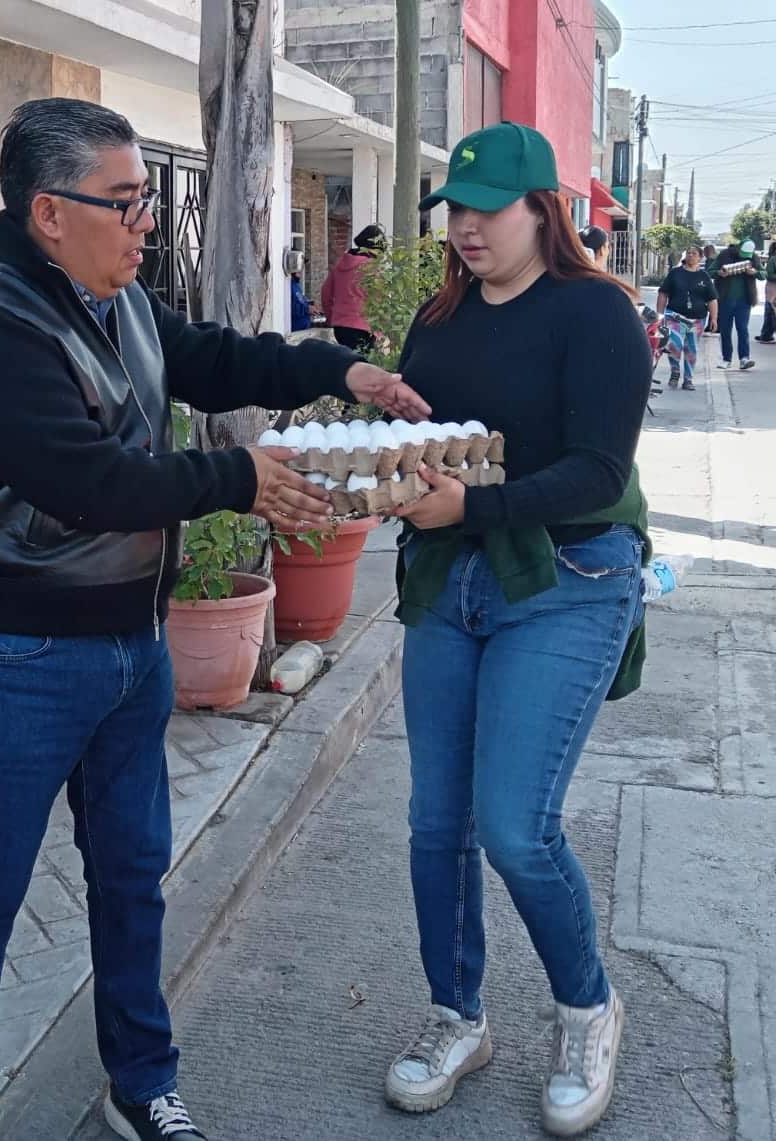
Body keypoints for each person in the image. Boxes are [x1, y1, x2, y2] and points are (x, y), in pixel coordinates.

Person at [0, 97, 429, 1141]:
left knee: (133, 875)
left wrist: (340, 366)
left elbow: (217, 358)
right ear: (48, 212)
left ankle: (139, 1080)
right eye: (127, 201)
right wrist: (238, 474)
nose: (148, 220)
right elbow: (87, 482)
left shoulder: (123, 297)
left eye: (147, 199)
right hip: (13, 653)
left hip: (128, 648)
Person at [384, 123, 651, 1138]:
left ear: (543, 208)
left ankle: (587, 1009)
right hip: (451, 585)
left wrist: (469, 510)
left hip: (570, 579)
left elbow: (595, 470)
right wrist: (385, 467)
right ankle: (458, 1014)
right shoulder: (439, 317)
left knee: (513, 823)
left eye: (484, 209)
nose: (462, 228)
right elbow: (426, 449)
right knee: (433, 822)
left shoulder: (596, 314)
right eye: (453, 209)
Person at [657, 246, 719, 391]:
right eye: (688, 253)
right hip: (675, 316)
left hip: (697, 319)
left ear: (700, 257)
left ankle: (688, 379)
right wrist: (659, 315)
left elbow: (712, 299)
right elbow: (663, 294)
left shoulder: (704, 276)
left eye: (694, 253)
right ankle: (675, 371)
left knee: (691, 349)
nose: (691, 255)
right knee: (674, 344)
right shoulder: (675, 273)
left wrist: (714, 318)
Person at [321, 223, 386, 351]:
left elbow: (325, 294)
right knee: (362, 367)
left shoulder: (340, 264)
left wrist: (332, 318)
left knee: (346, 364)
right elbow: (379, 301)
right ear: (376, 248)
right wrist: (380, 332)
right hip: (364, 328)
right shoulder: (372, 268)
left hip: (340, 327)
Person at [712, 239, 758, 370]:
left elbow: (763, 274)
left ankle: (744, 358)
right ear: (739, 248)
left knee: (742, 329)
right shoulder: (725, 255)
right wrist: (719, 273)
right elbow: (711, 270)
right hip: (725, 299)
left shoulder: (754, 257)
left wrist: (755, 272)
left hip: (744, 300)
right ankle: (727, 359)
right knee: (725, 330)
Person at [758, 239, 776, 343]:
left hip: (772, 291)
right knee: (771, 313)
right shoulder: (773, 259)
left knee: (770, 313)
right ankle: (766, 335)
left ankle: (765, 334)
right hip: (773, 290)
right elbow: (769, 275)